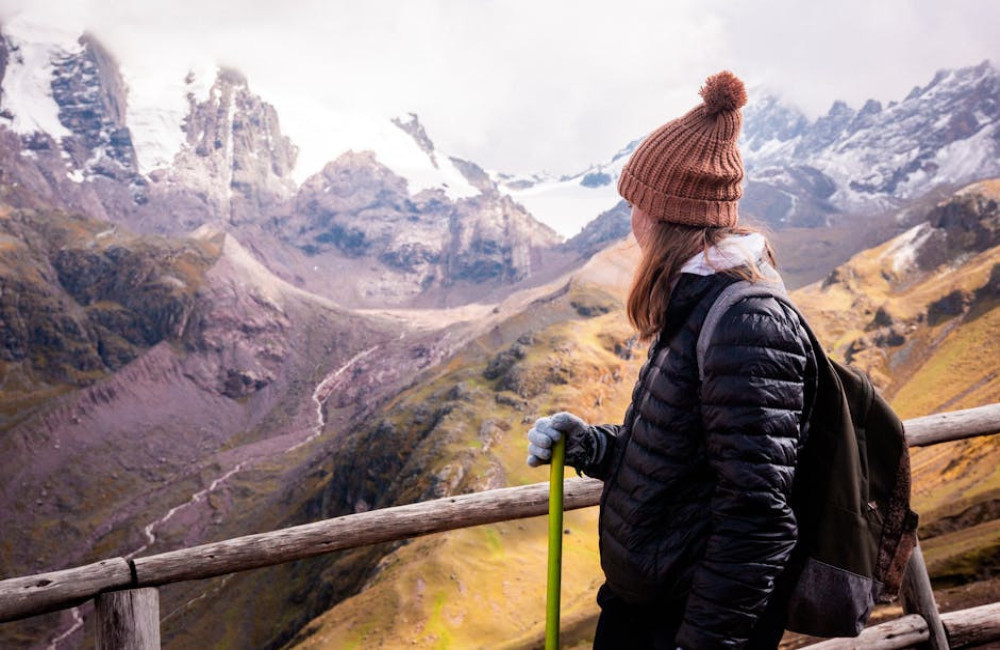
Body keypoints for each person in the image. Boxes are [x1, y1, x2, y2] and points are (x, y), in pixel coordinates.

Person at [527, 71, 818, 650]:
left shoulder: (746, 324)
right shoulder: (698, 299)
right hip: (648, 606)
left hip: (684, 625)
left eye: (636, 203)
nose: (630, 220)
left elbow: (758, 516)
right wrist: (591, 446)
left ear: (663, 214)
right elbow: (686, 461)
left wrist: (701, 644)